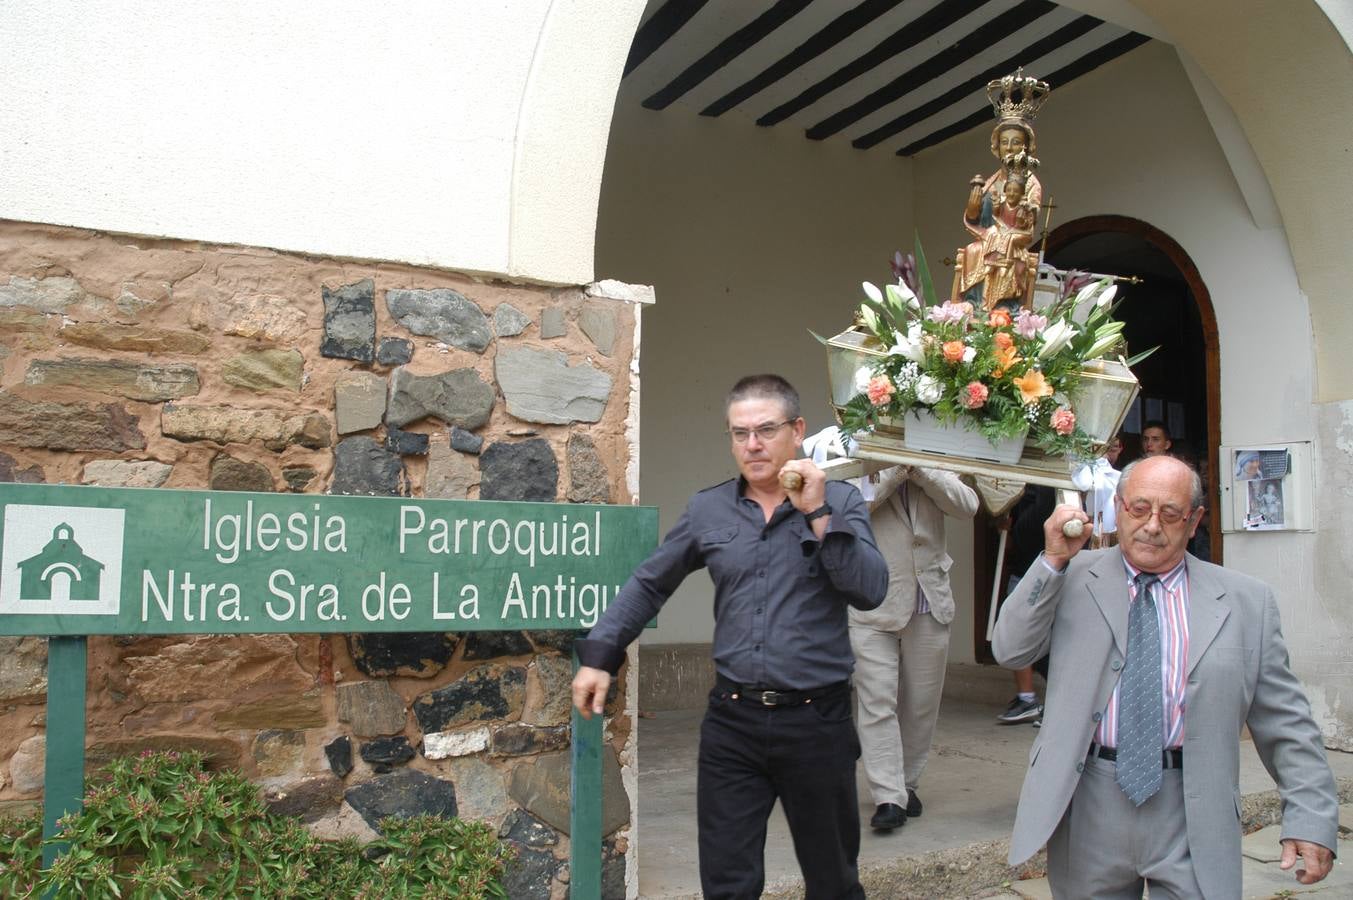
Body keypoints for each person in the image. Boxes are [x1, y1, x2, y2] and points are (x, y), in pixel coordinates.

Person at [571, 374, 888, 900]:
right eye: (740, 433)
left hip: (817, 723)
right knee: (727, 885)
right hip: (733, 724)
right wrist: (599, 654)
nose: (752, 445)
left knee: (833, 882)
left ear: (798, 430)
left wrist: (816, 513)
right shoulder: (709, 509)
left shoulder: (841, 501)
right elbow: (650, 583)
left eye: (765, 430)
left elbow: (870, 590)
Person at [993, 455, 1337, 898]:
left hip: (1193, 809)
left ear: (1194, 521)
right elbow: (1010, 650)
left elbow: (1287, 723)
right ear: (1118, 508)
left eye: (1170, 514)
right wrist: (1052, 560)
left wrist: (1310, 818)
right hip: (1089, 802)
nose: (1152, 526)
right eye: (1139, 509)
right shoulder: (1069, 577)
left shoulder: (1247, 601)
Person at [848, 464, 977, 831]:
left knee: (921, 704)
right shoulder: (854, 449)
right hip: (873, 599)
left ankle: (906, 783)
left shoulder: (931, 455)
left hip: (929, 600)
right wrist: (893, 470)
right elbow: (852, 506)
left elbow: (967, 506)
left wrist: (921, 472)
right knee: (877, 701)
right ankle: (887, 796)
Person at [994, 485, 1055, 725]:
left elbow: (1034, 524)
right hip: (1024, 570)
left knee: (1048, 641)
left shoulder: (1048, 487)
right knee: (1017, 635)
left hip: (1048, 572)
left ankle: (1057, 703)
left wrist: (1016, 527)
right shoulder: (1022, 488)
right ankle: (1027, 698)